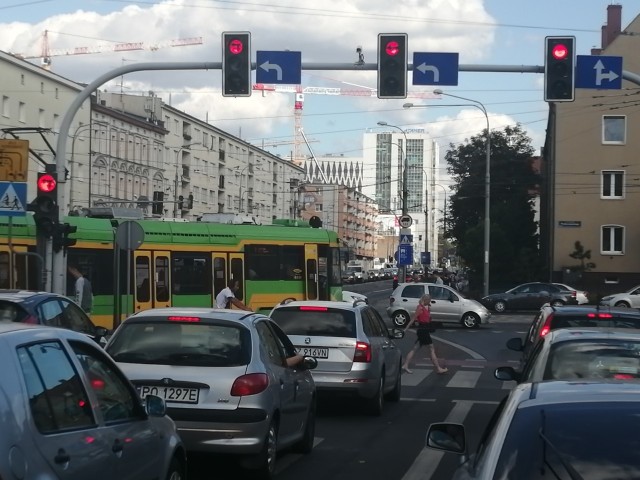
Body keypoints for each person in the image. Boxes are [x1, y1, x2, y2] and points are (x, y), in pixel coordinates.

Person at [402, 293, 448, 375]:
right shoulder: (420, 308)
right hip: (423, 331)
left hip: (423, 330)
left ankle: (405, 365)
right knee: (431, 349)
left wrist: (429, 310)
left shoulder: (424, 308)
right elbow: (413, 319)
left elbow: (427, 319)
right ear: (426, 300)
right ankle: (438, 368)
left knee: (415, 348)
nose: (429, 302)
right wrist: (405, 329)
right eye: (429, 301)